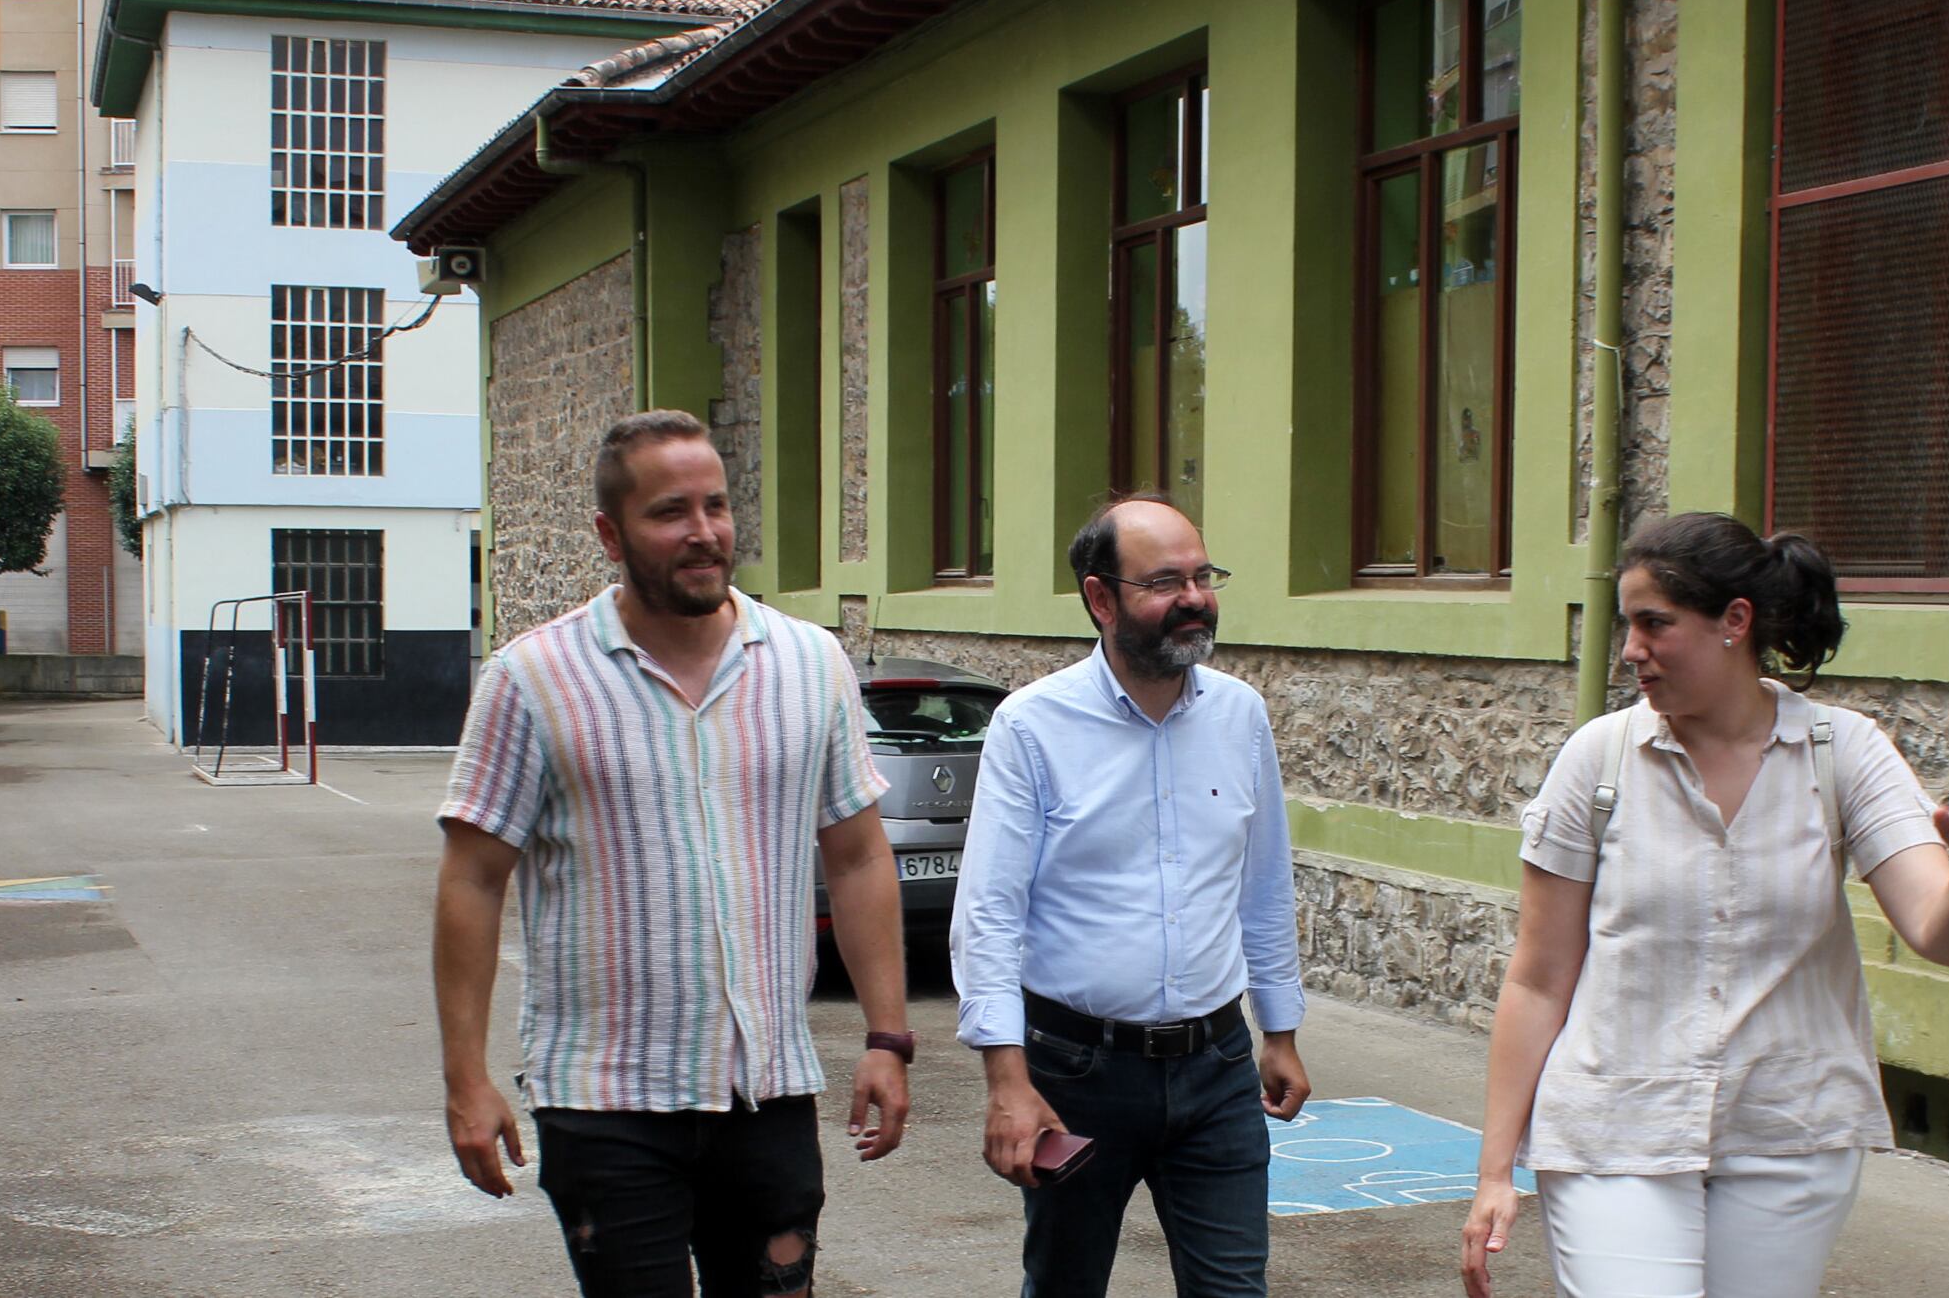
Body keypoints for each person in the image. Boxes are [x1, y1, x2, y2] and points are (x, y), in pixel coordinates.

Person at [1458, 512, 1949, 1298]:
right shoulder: (1597, 759)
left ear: (1735, 622)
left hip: (1787, 1132)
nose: (1631, 650)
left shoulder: (1843, 751)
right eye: (1627, 625)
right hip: (1616, 1126)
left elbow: (1942, 935)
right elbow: (1537, 977)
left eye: (1654, 624)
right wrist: (1494, 1171)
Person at [432, 410, 914, 1298]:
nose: (703, 534)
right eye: (670, 513)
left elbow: (854, 857)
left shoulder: (810, 664)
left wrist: (887, 1037)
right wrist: (466, 1079)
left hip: (764, 1092)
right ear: (610, 534)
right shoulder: (531, 679)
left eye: (716, 506)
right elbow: (471, 880)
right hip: (606, 1103)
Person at [951, 494, 1311, 1298]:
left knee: (1232, 1290)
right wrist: (1007, 1082)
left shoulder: (1241, 717)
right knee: (1064, 1285)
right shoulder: (1031, 727)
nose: (1193, 598)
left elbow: (1261, 884)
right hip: (1074, 1074)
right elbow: (989, 913)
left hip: (1216, 1068)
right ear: (1100, 598)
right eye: (1163, 582)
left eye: (1201, 576)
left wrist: (1279, 1031)